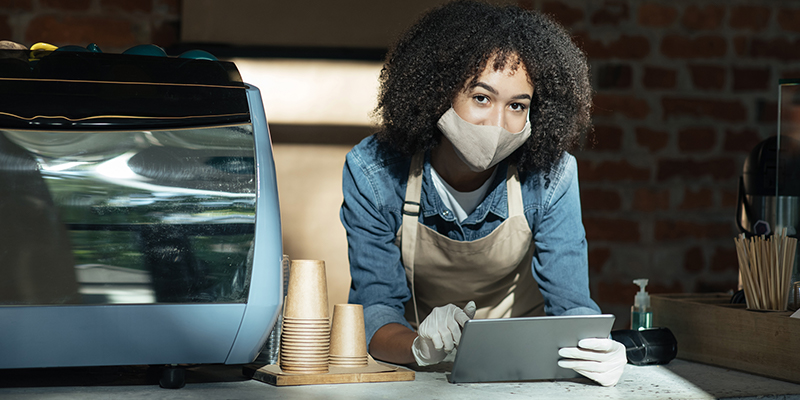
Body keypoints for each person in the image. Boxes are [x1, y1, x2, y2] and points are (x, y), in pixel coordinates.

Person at [339, 0, 626, 386]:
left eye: (517, 106)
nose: (497, 124)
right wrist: (419, 347)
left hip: (527, 369)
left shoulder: (551, 175)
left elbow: (571, 303)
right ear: (438, 91)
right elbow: (375, 312)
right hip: (424, 372)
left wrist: (597, 345)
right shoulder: (374, 172)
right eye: (481, 97)